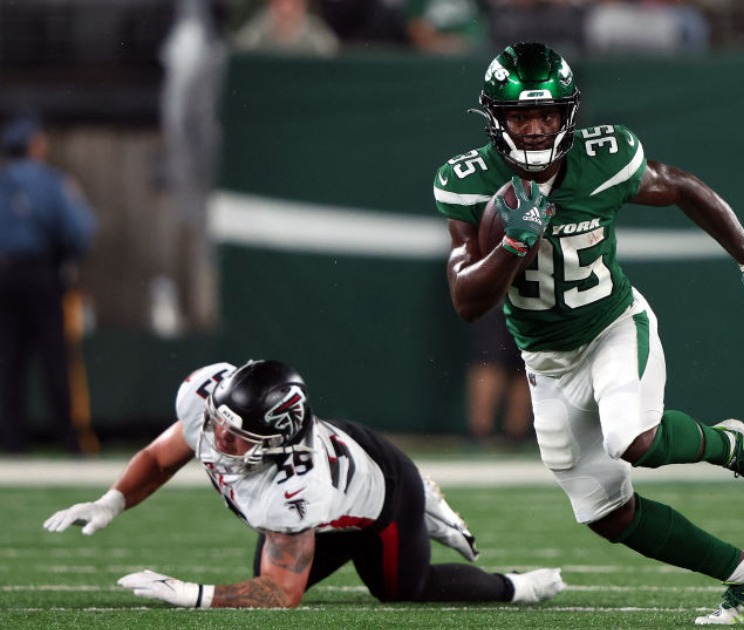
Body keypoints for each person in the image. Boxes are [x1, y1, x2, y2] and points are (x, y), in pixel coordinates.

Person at [433, 42, 744, 625]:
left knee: (632, 438)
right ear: (494, 119)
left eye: (546, 115)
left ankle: (735, 446)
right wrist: (510, 245)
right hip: (545, 361)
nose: (533, 129)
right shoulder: (470, 181)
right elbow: (466, 302)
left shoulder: (604, 158)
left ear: (567, 115)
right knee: (606, 513)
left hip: (612, 327)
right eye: (520, 117)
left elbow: (678, 184)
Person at [43, 359, 564, 608]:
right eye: (218, 424)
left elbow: (279, 593)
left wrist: (194, 595)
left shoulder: (297, 485)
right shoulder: (214, 406)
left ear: (276, 443)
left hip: (380, 492)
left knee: (403, 591)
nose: (218, 441)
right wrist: (111, 501)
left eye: (237, 437)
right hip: (344, 465)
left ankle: (519, 585)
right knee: (262, 564)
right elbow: (160, 458)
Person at [0, 113, 97, 455]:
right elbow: (80, 231)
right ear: (34, 145)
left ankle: (12, 442)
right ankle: (70, 440)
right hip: (42, 276)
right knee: (55, 359)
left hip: (5, 278)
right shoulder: (52, 182)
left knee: (9, 362)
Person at [465, 305, 532, 446]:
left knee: (520, 365)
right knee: (493, 362)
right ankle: (486, 434)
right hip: (531, 299)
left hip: (504, 297)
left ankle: (483, 436)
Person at [233, 0, 340, 56]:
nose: (286, 10)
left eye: (293, 4)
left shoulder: (315, 32)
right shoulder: (257, 30)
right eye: (280, 3)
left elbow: (331, 51)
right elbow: (240, 49)